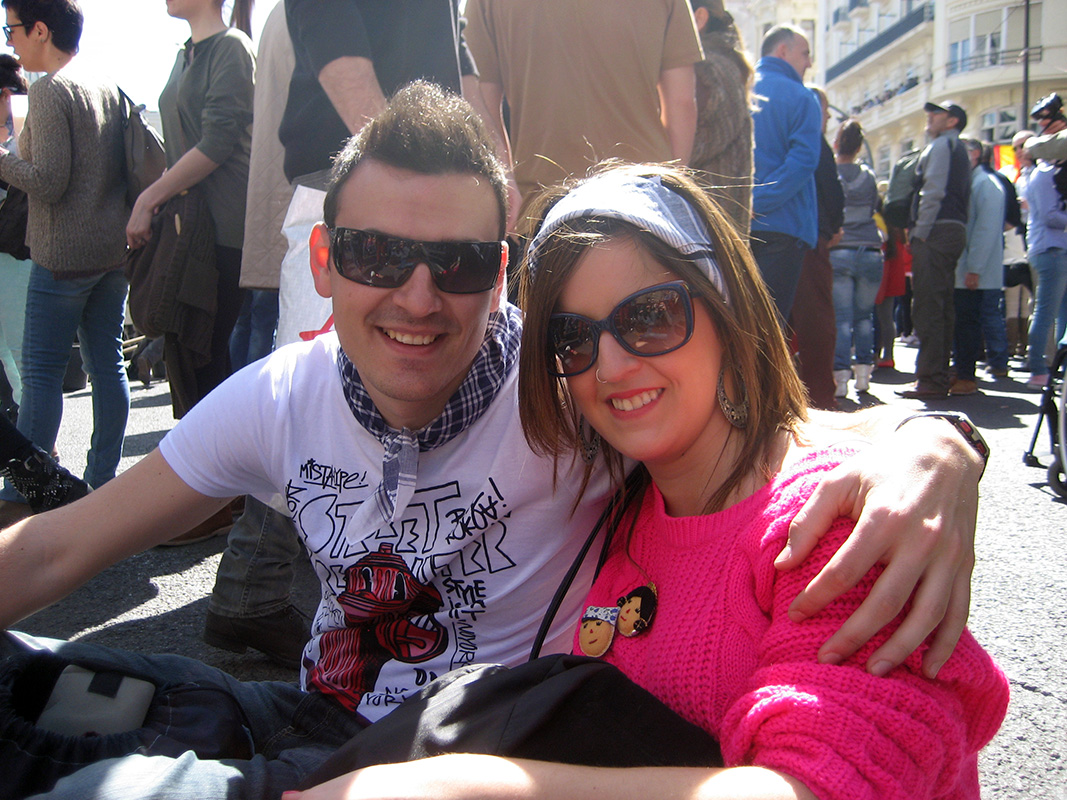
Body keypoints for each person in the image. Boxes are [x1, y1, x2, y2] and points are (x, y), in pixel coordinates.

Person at [1, 84, 988, 797]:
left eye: (458, 263)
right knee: (42, 691)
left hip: (468, 748)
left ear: (501, 274)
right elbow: (53, 548)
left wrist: (930, 441)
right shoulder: (290, 394)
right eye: (375, 254)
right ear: (324, 260)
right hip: (325, 719)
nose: (416, 296)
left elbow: (769, 440)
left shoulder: (580, 396)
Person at [208, 0, 487, 668]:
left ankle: (320, 586)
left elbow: (459, 61)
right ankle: (253, 589)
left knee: (392, 398)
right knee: (319, 403)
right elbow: (335, 43)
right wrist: (406, 188)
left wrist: (486, 185)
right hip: (362, 188)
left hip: (411, 191)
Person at [0, 0, 129, 526]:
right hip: (112, 250)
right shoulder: (105, 84)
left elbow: (49, 182)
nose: (10, 40)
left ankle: (26, 495)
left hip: (62, 256)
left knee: (41, 374)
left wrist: (1, 159)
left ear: (40, 29)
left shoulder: (51, 90)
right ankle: (102, 483)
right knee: (108, 365)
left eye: (11, 28)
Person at [126, 0, 255, 419]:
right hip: (188, 225)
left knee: (203, 361)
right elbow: (184, 146)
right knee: (191, 362)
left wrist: (148, 198)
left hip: (222, 228)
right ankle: (214, 458)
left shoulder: (231, 46)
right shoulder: (187, 53)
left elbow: (216, 143)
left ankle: (218, 459)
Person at [464, 0, 701, 226]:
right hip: (646, 197)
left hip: (542, 201)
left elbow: (480, 103)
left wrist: (505, 183)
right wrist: (671, 193)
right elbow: (681, 104)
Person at [227, 1, 292, 373]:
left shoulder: (272, 22)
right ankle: (255, 402)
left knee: (250, 319)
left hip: (261, 205)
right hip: (285, 199)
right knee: (264, 320)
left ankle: (241, 399)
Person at [897, 100, 971, 399]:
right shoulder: (959, 149)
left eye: (937, 113)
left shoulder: (942, 146)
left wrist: (921, 231)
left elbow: (933, 191)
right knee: (941, 306)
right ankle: (936, 375)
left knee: (928, 306)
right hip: (951, 229)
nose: (930, 116)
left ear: (952, 120)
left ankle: (930, 379)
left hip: (936, 230)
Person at [749, 25, 821, 324]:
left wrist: (740, 202)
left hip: (731, 222)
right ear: (782, 51)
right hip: (783, 225)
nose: (809, 63)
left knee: (735, 323)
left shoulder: (737, 90)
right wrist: (759, 200)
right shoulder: (802, 97)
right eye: (805, 54)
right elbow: (803, 161)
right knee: (769, 327)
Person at [791, 85, 843, 409]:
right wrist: (832, 226)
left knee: (784, 320)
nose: (827, 118)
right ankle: (821, 399)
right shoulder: (814, 140)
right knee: (816, 320)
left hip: (789, 234)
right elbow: (831, 189)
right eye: (824, 111)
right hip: (809, 238)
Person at [685, 0, 753, 236]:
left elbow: (684, 152)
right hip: (717, 232)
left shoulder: (704, 71)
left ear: (699, 18)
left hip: (697, 230)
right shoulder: (727, 66)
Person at [830, 118, 883, 399]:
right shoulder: (868, 176)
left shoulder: (831, 174)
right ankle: (864, 375)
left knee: (841, 318)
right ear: (860, 146)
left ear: (837, 143)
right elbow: (874, 206)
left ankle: (840, 378)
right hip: (870, 248)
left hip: (840, 249)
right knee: (864, 316)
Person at [951, 138, 1008, 396]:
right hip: (969, 269)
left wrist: (974, 268)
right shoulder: (976, 182)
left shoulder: (984, 183)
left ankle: (966, 376)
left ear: (974, 154)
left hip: (972, 271)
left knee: (968, 322)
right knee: (964, 321)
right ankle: (962, 372)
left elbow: (985, 230)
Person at [1023, 106, 1067, 388]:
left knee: (1060, 313)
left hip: (1055, 249)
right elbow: (1050, 215)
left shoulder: (1050, 173)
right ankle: (1038, 367)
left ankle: (1055, 365)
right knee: (1046, 311)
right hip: (1050, 250)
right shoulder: (1043, 174)